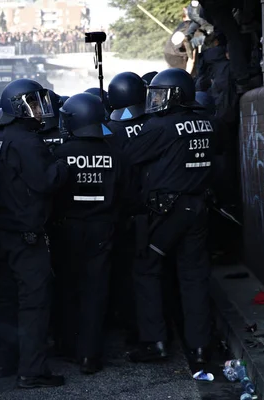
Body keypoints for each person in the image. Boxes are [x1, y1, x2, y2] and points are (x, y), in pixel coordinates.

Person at [124, 68, 213, 364]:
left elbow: (130, 155)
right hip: (198, 206)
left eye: (161, 94)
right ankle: (200, 348)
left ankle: (156, 342)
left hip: (168, 209)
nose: (156, 101)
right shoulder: (205, 123)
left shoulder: (161, 126)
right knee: (194, 276)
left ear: (177, 95)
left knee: (145, 268)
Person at [0, 78, 68, 388]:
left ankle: (5, 363)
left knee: (6, 301)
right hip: (26, 235)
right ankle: (32, 371)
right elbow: (46, 180)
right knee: (34, 303)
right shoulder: (26, 141)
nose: (39, 109)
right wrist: (63, 165)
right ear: (18, 107)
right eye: (33, 103)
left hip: (2, 233)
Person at [52, 93, 123, 374]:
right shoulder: (114, 153)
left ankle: (68, 346)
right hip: (102, 228)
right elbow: (124, 192)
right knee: (95, 291)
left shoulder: (60, 153)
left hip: (67, 228)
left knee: (68, 288)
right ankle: (89, 356)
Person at [106, 71, 152, 344]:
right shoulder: (153, 122)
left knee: (125, 271)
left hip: (124, 209)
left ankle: (130, 328)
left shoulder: (111, 130)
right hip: (153, 206)